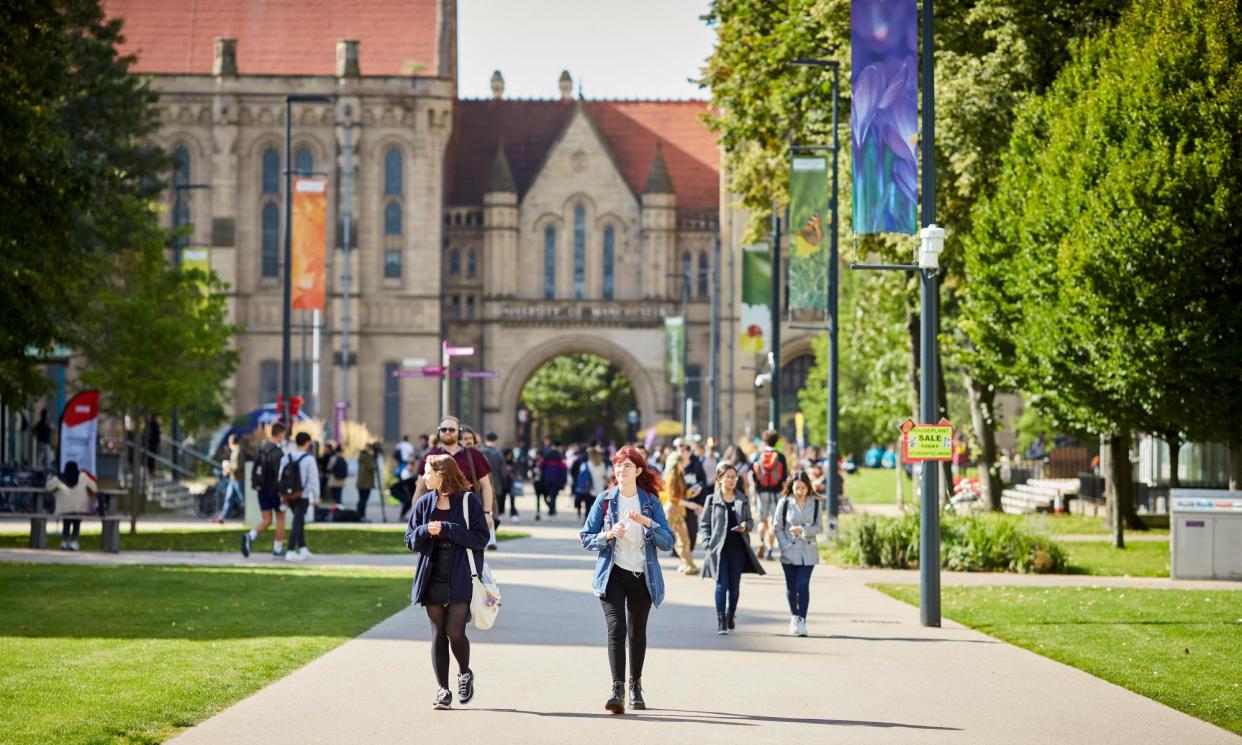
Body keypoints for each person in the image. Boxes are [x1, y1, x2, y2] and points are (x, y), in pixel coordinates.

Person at [580, 445, 675, 714]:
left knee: (637, 634)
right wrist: (608, 535)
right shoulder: (605, 500)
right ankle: (617, 689)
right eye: (618, 465)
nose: (622, 470)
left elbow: (668, 541)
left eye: (628, 466)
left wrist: (648, 522)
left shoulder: (651, 502)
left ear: (639, 471)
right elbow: (586, 537)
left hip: (643, 576)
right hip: (613, 575)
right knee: (616, 630)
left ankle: (635, 686)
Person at [405, 454, 490, 710]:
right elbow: (409, 539)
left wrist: (448, 529)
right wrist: (424, 531)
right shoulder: (423, 503)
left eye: (428, 473)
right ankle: (443, 690)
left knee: (455, 631)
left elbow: (481, 538)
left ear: (442, 474)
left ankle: (464, 673)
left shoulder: (468, 502)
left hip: (460, 573)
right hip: (432, 574)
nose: (424, 477)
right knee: (438, 633)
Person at [411, 417, 497, 550]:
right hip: (435, 513)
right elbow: (420, 488)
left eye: (451, 429)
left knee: (468, 556)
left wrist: (487, 513)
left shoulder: (474, 455)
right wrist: (414, 516)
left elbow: (486, 485)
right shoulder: (430, 456)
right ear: (439, 432)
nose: (447, 432)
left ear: (459, 432)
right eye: (444, 429)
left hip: (467, 513)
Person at [701, 462, 765, 634]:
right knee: (721, 585)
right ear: (719, 479)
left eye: (733, 477)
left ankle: (731, 615)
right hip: (719, 549)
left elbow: (751, 521)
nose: (731, 480)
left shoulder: (742, 499)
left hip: (738, 549)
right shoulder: (712, 500)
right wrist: (707, 541)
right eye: (727, 477)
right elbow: (705, 524)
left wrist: (746, 525)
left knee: (734, 587)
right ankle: (721, 619)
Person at [773, 469, 822, 636]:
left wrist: (803, 530)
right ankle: (794, 616)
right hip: (789, 550)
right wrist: (783, 545)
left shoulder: (815, 503)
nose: (800, 492)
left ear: (808, 487)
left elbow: (818, 526)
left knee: (803, 585)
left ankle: (802, 620)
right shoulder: (784, 503)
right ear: (791, 488)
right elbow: (777, 526)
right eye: (796, 488)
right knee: (791, 587)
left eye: (803, 488)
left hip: (808, 550)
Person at [242, 423, 288, 558]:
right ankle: (277, 549)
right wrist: (283, 492)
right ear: (279, 434)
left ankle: (250, 535)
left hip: (261, 489)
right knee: (280, 518)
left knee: (266, 520)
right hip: (274, 490)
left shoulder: (261, 448)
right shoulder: (277, 453)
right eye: (283, 435)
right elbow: (279, 474)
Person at [748, 429, 788, 560]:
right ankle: (770, 550)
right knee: (773, 522)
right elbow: (784, 478)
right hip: (776, 493)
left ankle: (761, 542)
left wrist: (754, 493)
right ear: (776, 441)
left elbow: (753, 476)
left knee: (761, 520)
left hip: (762, 493)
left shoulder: (758, 455)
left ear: (764, 441)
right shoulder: (781, 457)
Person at [281, 431, 320, 561]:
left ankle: (302, 548)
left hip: (289, 494)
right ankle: (290, 550)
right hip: (303, 494)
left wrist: (283, 494)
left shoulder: (287, 457)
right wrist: (316, 495)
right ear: (307, 443)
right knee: (297, 522)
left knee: (300, 521)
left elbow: (281, 476)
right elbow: (313, 479)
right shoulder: (309, 459)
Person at [659, 465, 700, 575]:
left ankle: (689, 565)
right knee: (661, 539)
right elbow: (672, 498)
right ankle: (647, 563)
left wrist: (690, 493)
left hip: (679, 512)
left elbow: (680, 495)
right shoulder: (672, 476)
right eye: (681, 461)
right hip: (671, 512)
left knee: (684, 540)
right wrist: (689, 504)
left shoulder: (680, 476)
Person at [47, 461, 96, 550]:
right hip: (80, 507)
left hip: (64, 508)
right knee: (76, 524)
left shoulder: (59, 477)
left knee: (66, 523)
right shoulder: (83, 476)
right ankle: (74, 542)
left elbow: (48, 487)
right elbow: (94, 487)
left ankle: (64, 541)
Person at [478, 432, 508, 529]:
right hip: (496, 486)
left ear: (485, 440)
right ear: (496, 440)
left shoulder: (478, 452)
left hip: (480, 487)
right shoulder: (498, 454)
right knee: (493, 512)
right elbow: (504, 473)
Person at [536, 446, 567, 520]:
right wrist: (564, 482)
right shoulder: (561, 464)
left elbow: (540, 469)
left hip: (547, 480)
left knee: (550, 496)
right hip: (557, 481)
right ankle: (552, 510)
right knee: (554, 496)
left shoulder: (545, 462)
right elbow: (564, 473)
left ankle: (551, 509)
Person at [356, 442, 379, 519]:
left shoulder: (362, 456)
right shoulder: (367, 457)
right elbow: (372, 467)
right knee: (364, 500)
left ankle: (359, 515)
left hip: (361, 482)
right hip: (366, 483)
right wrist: (374, 459)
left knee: (361, 500)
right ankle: (361, 516)